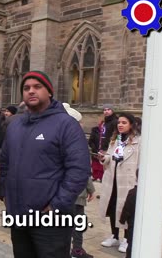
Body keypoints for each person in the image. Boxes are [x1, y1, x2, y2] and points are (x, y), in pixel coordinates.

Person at [0, 71, 91, 258]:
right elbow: (5, 162)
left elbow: (79, 170)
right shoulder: (15, 125)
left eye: (37, 87)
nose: (31, 91)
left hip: (51, 220)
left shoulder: (66, 124)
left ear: (49, 91)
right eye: (26, 88)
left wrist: (57, 204)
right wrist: (4, 194)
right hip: (19, 215)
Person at [98, 112, 140, 254]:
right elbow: (111, 155)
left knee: (125, 210)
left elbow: (139, 163)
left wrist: (137, 181)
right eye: (119, 122)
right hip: (112, 180)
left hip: (127, 181)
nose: (120, 125)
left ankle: (127, 239)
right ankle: (115, 236)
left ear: (131, 125)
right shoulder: (115, 140)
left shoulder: (138, 142)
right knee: (112, 207)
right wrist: (104, 158)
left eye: (124, 123)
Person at [63, 103, 96, 258]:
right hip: (76, 190)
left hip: (63, 190)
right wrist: (90, 187)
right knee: (77, 221)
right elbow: (82, 169)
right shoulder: (77, 141)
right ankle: (76, 249)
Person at [89, 104, 118, 181]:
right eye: (104, 110)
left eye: (108, 109)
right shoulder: (105, 122)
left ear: (112, 110)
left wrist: (109, 146)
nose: (106, 111)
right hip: (103, 148)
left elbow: (115, 135)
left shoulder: (115, 121)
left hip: (110, 148)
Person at [120, 169, 138, 258]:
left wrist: (122, 219)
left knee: (131, 244)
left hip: (133, 224)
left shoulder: (132, 192)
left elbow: (126, 208)